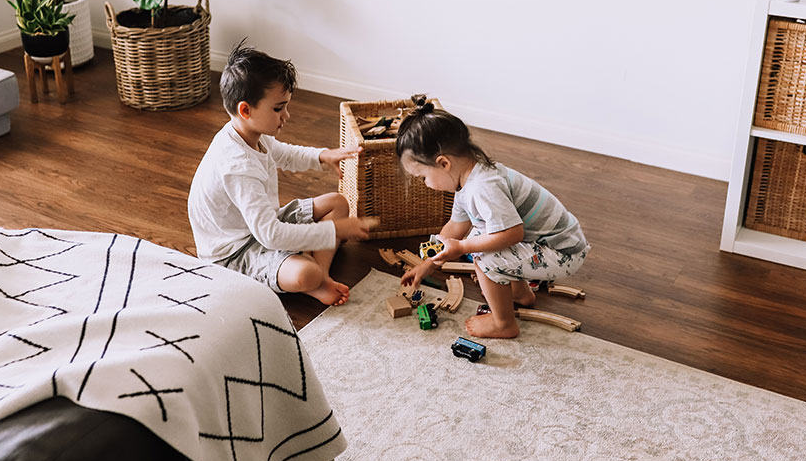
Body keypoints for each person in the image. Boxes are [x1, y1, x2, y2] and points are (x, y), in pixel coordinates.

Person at [188, 42, 375, 306]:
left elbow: (285, 154)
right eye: (278, 108)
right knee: (304, 272)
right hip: (236, 252)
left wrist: (323, 155)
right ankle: (314, 277)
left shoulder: (250, 133)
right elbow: (271, 236)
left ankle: (321, 276)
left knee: (338, 202)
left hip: (261, 225)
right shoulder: (237, 166)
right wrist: (332, 231)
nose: (286, 115)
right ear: (245, 110)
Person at [398, 101, 589, 338]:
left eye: (423, 177)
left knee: (483, 254)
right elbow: (456, 227)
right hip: (548, 242)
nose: (425, 184)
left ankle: (503, 323)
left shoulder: (483, 187)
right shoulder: (467, 180)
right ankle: (519, 294)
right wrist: (426, 264)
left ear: (443, 163)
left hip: (562, 252)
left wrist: (463, 247)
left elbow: (512, 235)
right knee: (480, 235)